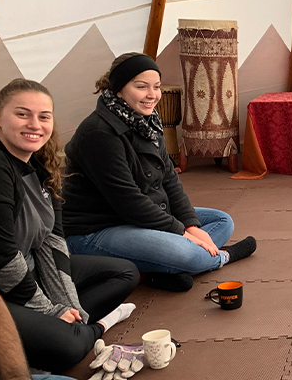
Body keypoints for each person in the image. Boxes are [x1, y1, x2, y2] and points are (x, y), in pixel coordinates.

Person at [0, 79, 139, 373]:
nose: (34, 124)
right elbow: (0, 260)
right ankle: (97, 326)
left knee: (124, 273)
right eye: (22, 114)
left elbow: (53, 239)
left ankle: (74, 324)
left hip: (31, 270)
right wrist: (50, 310)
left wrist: (67, 303)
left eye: (44, 116)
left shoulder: (39, 163)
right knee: (69, 348)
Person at [62, 53, 256, 292]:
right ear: (119, 89)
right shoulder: (99, 134)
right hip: (97, 230)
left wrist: (190, 226)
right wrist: (181, 234)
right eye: (141, 87)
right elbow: (129, 201)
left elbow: (169, 179)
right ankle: (222, 257)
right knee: (186, 253)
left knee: (221, 221)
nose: (152, 95)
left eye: (156, 87)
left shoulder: (148, 122)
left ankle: (156, 270)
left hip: (141, 218)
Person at [0, 261, 76, 380]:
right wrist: (51, 311)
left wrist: (16, 377)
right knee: (70, 343)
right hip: (16, 289)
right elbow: (8, 266)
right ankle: (101, 326)